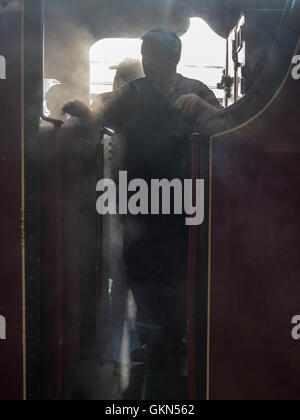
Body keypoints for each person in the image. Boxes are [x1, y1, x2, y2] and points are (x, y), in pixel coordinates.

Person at [63, 27, 221, 364]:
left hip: (185, 201)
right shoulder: (131, 93)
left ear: (174, 58)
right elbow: (96, 119)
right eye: (146, 54)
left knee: (182, 269)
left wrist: (205, 109)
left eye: (156, 55)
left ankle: (175, 338)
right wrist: (79, 109)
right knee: (139, 268)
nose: (149, 62)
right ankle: (154, 341)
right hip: (137, 200)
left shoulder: (196, 90)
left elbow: (229, 125)